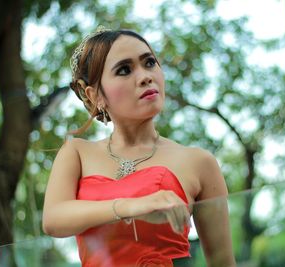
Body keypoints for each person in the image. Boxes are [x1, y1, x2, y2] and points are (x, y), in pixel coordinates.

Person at [42, 26, 236, 267]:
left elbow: (223, 263)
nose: (145, 76)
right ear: (95, 96)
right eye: (124, 69)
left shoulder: (198, 162)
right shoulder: (77, 153)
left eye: (150, 63)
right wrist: (133, 206)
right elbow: (53, 220)